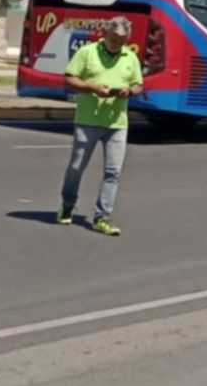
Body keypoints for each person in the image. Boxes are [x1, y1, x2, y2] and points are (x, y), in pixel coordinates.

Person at [57, 16, 144, 236]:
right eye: (114, 38)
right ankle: (67, 204)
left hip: (117, 123)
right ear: (105, 34)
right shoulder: (87, 52)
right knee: (77, 166)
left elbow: (138, 85)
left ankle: (102, 217)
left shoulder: (130, 57)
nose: (117, 43)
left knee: (113, 172)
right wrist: (91, 87)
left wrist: (129, 91)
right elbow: (68, 79)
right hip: (88, 121)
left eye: (122, 39)